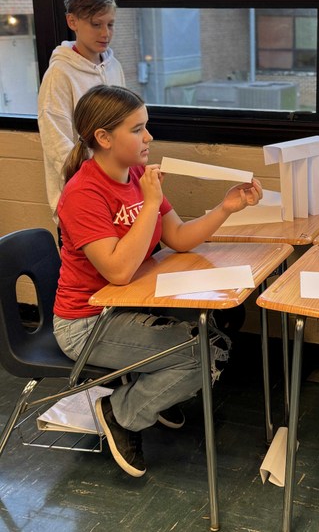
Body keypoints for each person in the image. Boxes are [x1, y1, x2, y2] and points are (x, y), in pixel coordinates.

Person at [53, 84, 263, 478]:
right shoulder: (82, 193)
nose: (149, 137)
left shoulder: (134, 175)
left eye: (146, 126)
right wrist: (150, 203)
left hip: (132, 305)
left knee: (213, 333)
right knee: (204, 354)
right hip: (87, 323)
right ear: (103, 137)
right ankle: (121, 412)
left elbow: (179, 237)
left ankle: (152, 393)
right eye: (137, 129)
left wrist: (226, 208)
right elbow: (118, 271)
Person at [38, 0, 125, 221]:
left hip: (118, 190)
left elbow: (126, 124)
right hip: (82, 196)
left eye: (110, 24)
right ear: (72, 21)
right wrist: (94, 180)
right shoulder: (60, 73)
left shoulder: (114, 67)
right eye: (96, 24)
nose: (105, 33)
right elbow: (57, 141)